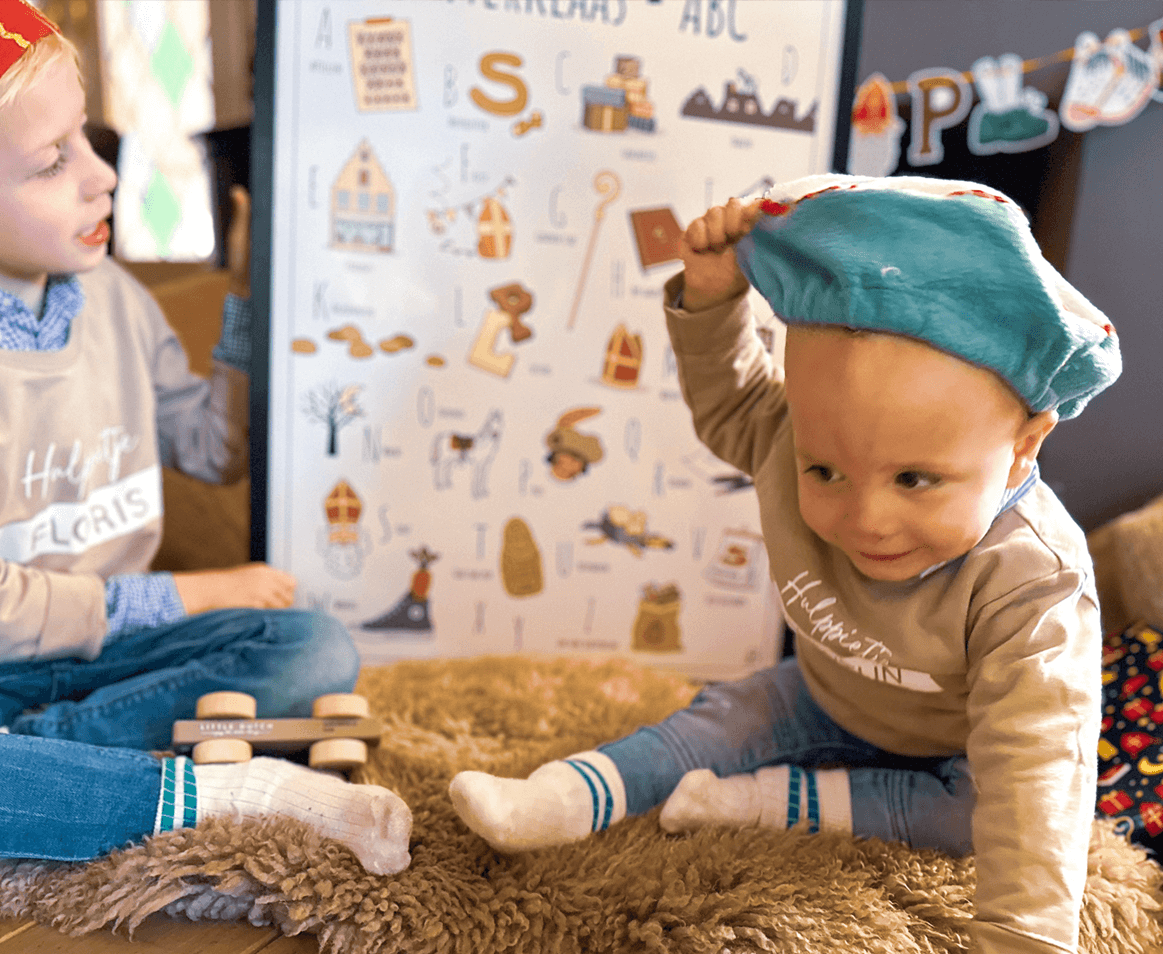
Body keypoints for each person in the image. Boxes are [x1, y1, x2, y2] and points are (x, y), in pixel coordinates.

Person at [450, 173, 1121, 954]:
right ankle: (563, 794)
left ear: (1022, 449)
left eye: (915, 480)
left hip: (955, 754)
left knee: (977, 815)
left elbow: (1039, 767)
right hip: (822, 694)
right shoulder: (787, 439)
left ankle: (770, 802)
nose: (865, 521)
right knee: (714, 722)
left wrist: (1022, 934)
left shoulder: (1035, 579)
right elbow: (735, 401)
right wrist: (712, 299)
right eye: (824, 471)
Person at [0, 0, 410, 876]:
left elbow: (212, 450)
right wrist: (192, 595)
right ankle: (212, 794)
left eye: (87, 139)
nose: (103, 178)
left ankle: (29, 766)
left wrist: (245, 297)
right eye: (53, 162)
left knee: (311, 647)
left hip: (108, 656)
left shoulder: (113, 298)